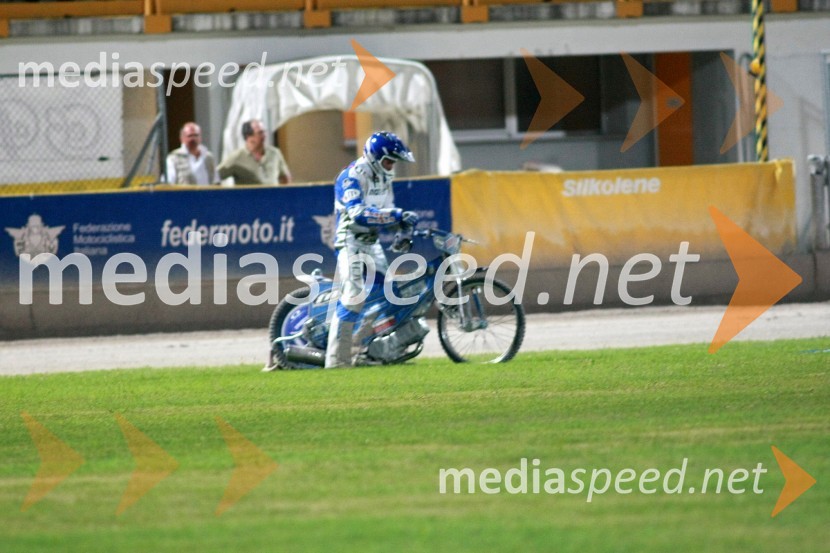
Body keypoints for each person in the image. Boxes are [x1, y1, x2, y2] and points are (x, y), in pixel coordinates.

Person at [324, 131, 419, 368]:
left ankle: (372, 350)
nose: (391, 166)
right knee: (354, 297)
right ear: (375, 158)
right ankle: (336, 362)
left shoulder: (384, 177)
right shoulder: (351, 177)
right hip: (350, 240)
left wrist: (402, 228)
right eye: (389, 160)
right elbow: (358, 213)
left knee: (389, 294)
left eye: (394, 162)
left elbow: (387, 209)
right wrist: (396, 215)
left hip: (371, 241)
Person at [217, 119, 292, 185]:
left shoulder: (275, 153)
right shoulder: (236, 157)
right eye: (260, 133)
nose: (264, 136)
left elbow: (285, 178)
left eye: (264, 132)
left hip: (274, 200)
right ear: (249, 137)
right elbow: (215, 177)